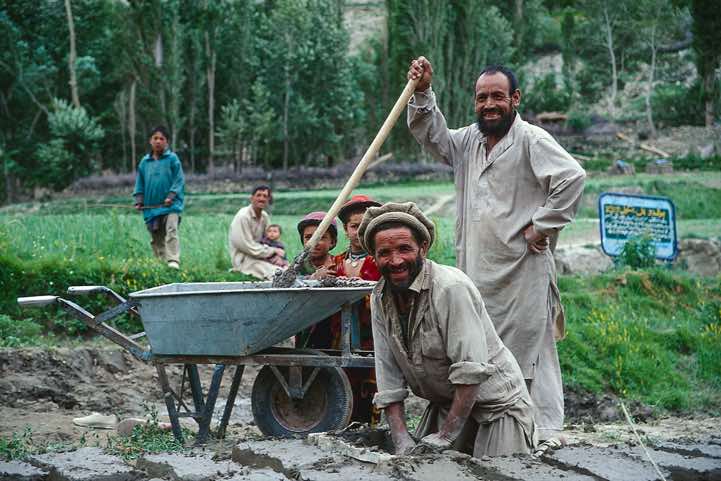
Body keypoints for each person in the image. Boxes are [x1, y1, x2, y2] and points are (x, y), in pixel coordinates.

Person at [406, 57, 586, 443]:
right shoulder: (468, 141)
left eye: (497, 97)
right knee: (478, 352)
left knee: (526, 357)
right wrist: (422, 93)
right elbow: (432, 134)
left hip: (521, 272)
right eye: (482, 97)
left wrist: (542, 225)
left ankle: (538, 433)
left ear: (515, 98)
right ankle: (480, 431)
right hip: (476, 273)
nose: (489, 104)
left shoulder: (531, 140)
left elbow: (572, 178)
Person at [359, 202, 535, 457]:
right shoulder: (379, 298)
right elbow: (387, 373)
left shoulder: (451, 289)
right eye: (384, 252)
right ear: (374, 257)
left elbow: (470, 371)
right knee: (420, 466)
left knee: (499, 472)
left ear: (423, 248)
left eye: (404, 249)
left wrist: (446, 436)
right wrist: (400, 439)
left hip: (496, 408)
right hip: (446, 405)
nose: (395, 261)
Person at [333, 194, 382, 424]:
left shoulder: (381, 260)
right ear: (345, 229)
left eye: (366, 225)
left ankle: (369, 426)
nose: (359, 231)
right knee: (343, 379)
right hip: (340, 335)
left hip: (373, 333)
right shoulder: (336, 262)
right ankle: (342, 421)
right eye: (354, 226)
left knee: (372, 379)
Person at [133, 126, 185, 269]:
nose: (158, 141)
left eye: (161, 139)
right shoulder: (145, 162)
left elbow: (179, 179)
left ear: (166, 142)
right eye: (155, 138)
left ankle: (173, 260)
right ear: (150, 141)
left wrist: (171, 195)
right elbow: (140, 182)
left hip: (171, 205)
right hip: (151, 207)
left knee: (171, 230)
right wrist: (139, 200)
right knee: (156, 237)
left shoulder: (172, 159)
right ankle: (161, 263)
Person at [295, 211, 339, 348]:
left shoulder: (337, 264)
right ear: (303, 241)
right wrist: (313, 278)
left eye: (321, 237)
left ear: (332, 242)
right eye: (309, 237)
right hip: (303, 320)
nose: (314, 242)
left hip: (331, 322)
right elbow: (290, 284)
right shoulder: (298, 265)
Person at [228, 186, 286, 280]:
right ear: (252, 198)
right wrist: (272, 251)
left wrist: (277, 255)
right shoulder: (243, 217)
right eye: (258, 195)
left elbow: (270, 240)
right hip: (244, 259)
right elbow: (247, 246)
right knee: (275, 273)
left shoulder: (264, 216)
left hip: (262, 256)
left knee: (286, 268)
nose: (262, 199)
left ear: (268, 200)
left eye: (265, 196)